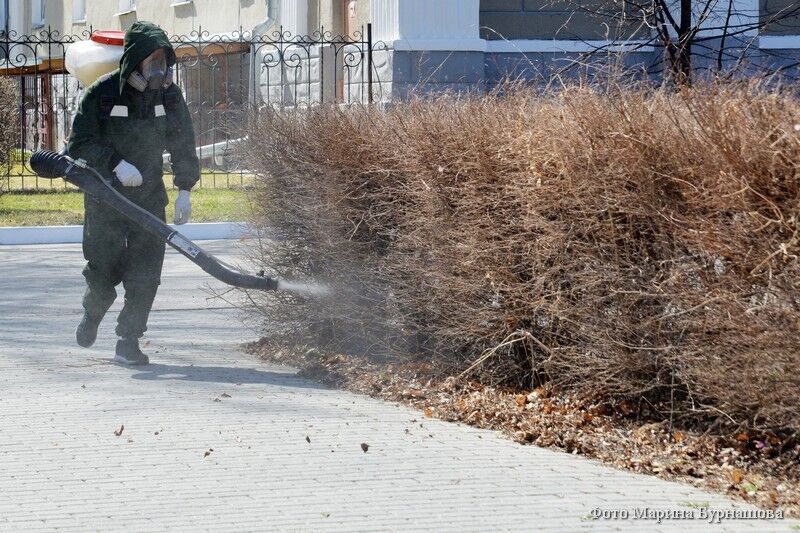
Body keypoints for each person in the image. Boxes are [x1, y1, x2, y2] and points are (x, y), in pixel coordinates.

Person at [67, 21, 200, 365]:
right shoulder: (103, 92)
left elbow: (183, 140)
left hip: (149, 198)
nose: (159, 66)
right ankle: (93, 312)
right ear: (135, 58)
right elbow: (79, 143)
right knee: (102, 269)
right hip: (106, 197)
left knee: (146, 273)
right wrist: (115, 163)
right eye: (152, 57)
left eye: (164, 58)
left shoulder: (168, 95)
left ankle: (128, 340)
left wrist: (185, 188)